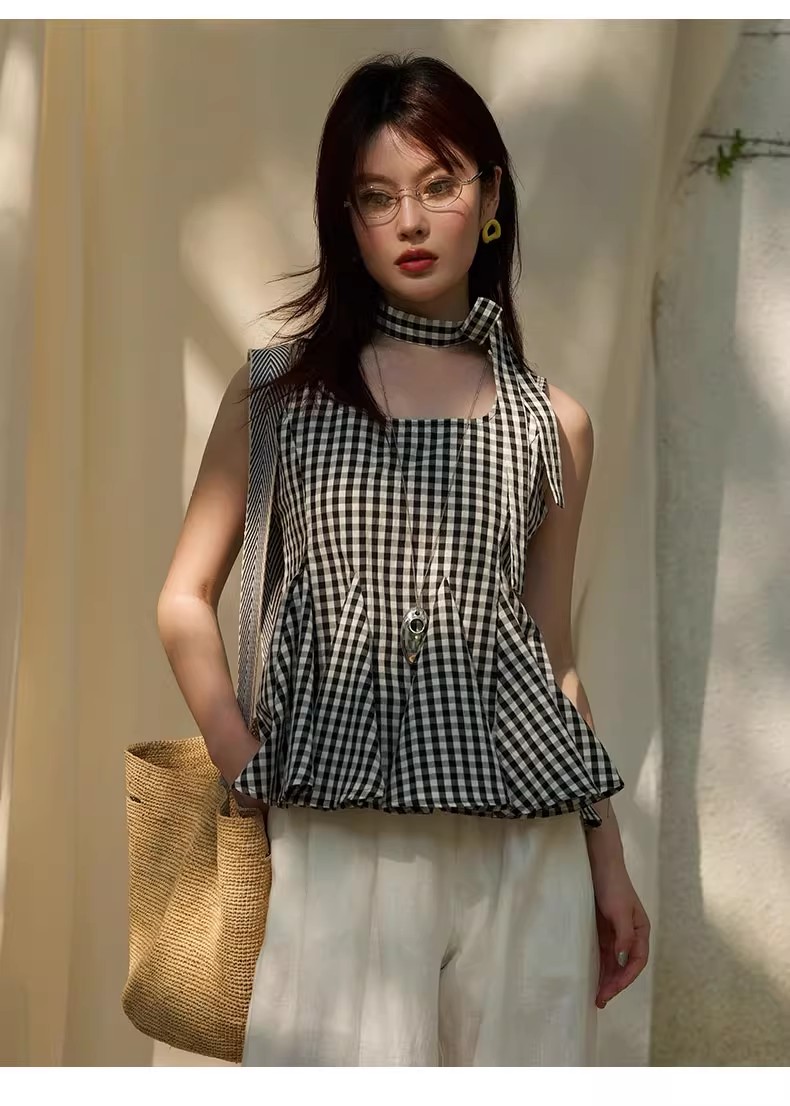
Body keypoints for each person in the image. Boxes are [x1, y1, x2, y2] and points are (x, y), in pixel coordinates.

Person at [157, 51, 650, 1067]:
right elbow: (183, 599)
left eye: (440, 185)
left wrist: (607, 858)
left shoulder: (553, 423)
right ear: (347, 217)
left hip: (527, 842)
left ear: (492, 197)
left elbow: (553, 656)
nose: (412, 222)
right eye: (378, 197)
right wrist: (244, 764)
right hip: (342, 833)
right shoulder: (282, 396)